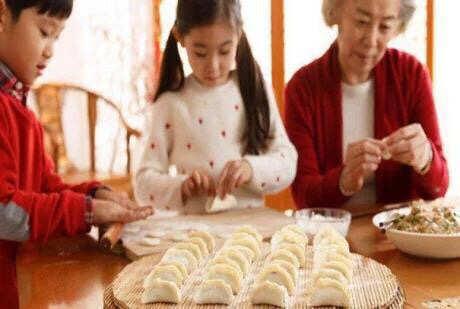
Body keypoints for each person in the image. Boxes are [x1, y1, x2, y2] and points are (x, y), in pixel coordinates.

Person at [0, 1, 153, 307]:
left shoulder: (19, 109)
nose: (50, 50)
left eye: (57, 36)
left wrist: (95, 194)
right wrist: (87, 211)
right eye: (44, 32)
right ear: (3, 14)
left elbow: (45, 188)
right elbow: (5, 213)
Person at [135, 0, 297, 214]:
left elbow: (287, 161)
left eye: (224, 51)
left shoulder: (256, 91)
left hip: (251, 230)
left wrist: (250, 169)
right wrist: (182, 186)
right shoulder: (170, 104)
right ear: (180, 38)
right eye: (200, 53)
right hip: (193, 233)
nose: (213, 65)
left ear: (238, 35)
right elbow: (143, 185)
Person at [285, 0, 448, 209]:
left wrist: (426, 158)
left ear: (398, 27)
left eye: (385, 27)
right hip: (332, 234)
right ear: (334, 12)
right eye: (362, 22)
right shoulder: (302, 87)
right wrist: (343, 181)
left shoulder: (412, 74)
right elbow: (304, 197)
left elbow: (439, 188)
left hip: (396, 235)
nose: (371, 40)